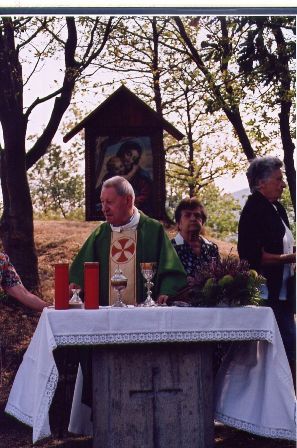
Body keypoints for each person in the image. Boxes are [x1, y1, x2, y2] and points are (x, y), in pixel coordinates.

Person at [70, 175, 187, 306]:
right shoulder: (100, 234)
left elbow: (170, 269)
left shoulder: (153, 231)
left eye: (109, 202)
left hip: (146, 317)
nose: (104, 208)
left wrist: (167, 291)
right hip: (106, 317)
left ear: (128, 200)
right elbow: (79, 274)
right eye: (102, 202)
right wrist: (74, 288)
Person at [238, 156, 296, 376]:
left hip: (283, 295)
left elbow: (282, 244)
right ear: (260, 183)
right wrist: (287, 259)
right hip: (264, 295)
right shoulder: (253, 210)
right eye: (278, 179)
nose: (283, 184)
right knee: (278, 351)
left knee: (290, 348)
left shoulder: (277, 209)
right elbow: (252, 257)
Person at [171, 197, 220, 283]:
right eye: (187, 215)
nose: (193, 218)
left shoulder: (211, 248)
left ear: (203, 222)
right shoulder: (170, 248)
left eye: (197, 215)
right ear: (179, 223)